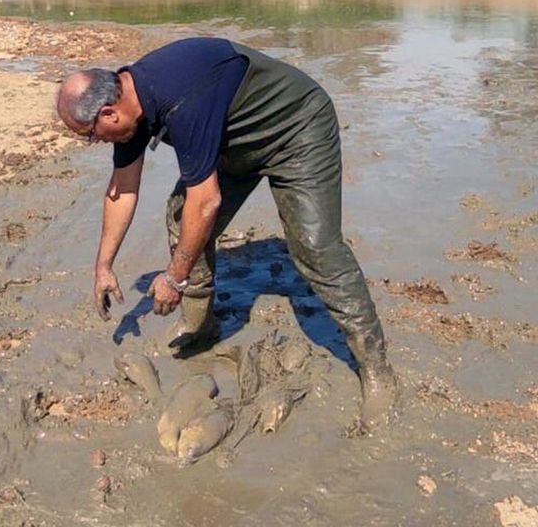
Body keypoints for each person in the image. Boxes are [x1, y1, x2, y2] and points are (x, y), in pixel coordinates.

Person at [56, 36, 398, 428]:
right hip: (234, 143)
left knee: (316, 248)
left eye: (89, 134)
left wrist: (173, 277)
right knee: (180, 214)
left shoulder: (180, 96)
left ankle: (376, 367)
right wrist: (104, 265)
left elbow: (207, 202)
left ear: (108, 113)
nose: (93, 142)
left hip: (297, 131)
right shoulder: (129, 105)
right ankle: (202, 326)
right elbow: (123, 189)